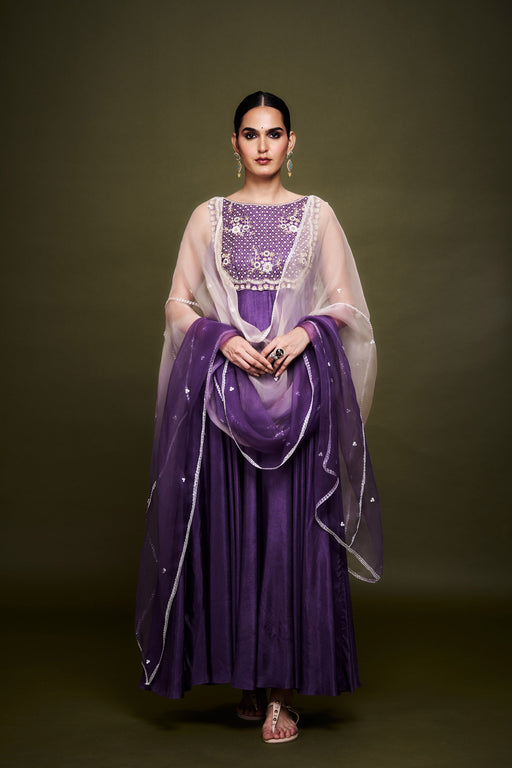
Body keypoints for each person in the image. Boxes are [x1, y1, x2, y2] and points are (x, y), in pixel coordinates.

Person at [135, 91, 383, 744]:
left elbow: (346, 305)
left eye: (275, 134)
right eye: (251, 134)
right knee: (234, 535)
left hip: (298, 399)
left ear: (291, 143)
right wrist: (219, 339)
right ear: (235, 143)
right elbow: (177, 302)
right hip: (225, 396)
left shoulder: (317, 215)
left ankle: (281, 696)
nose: (264, 145)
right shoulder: (209, 217)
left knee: (286, 539)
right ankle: (246, 679)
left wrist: (305, 333)